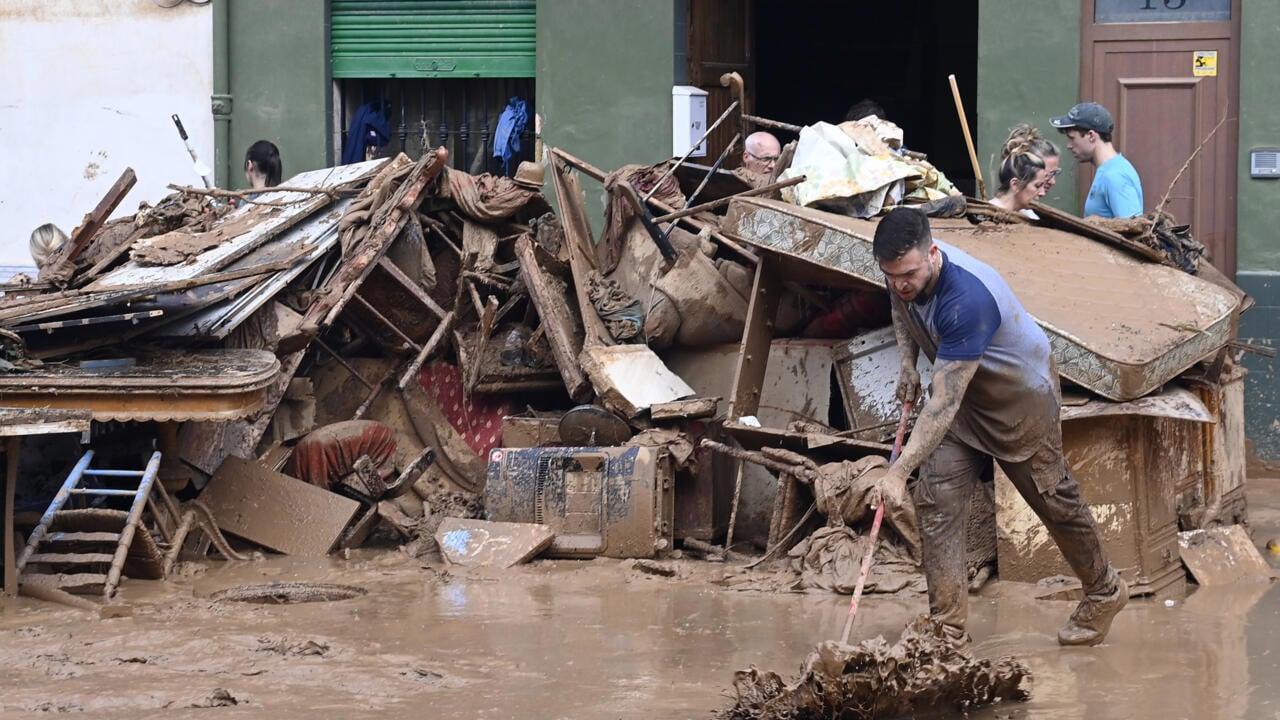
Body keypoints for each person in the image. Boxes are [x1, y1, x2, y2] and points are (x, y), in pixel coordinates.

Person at [871, 206, 1127, 647]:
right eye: (891, 275)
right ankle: (946, 630)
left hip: (1019, 401)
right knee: (937, 502)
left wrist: (897, 471)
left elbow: (941, 406)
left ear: (932, 254)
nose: (900, 283)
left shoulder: (967, 300)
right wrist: (907, 364)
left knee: (1054, 501)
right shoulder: (901, 273)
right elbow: (900, 306)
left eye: (908, 273)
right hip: (965, 401)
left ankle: (1105, 590)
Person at [1050, 102, 1142, 218]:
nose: (1069, 145)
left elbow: (1133, 231)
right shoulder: (1108, 170)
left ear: (1091, 135)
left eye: (1072, 138)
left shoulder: (1115, 176)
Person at [989, 125, 1051, 217]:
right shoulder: (989, 215)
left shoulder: (1029, 217)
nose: (1042, 193)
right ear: (1015, 184)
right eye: (1037, 186)